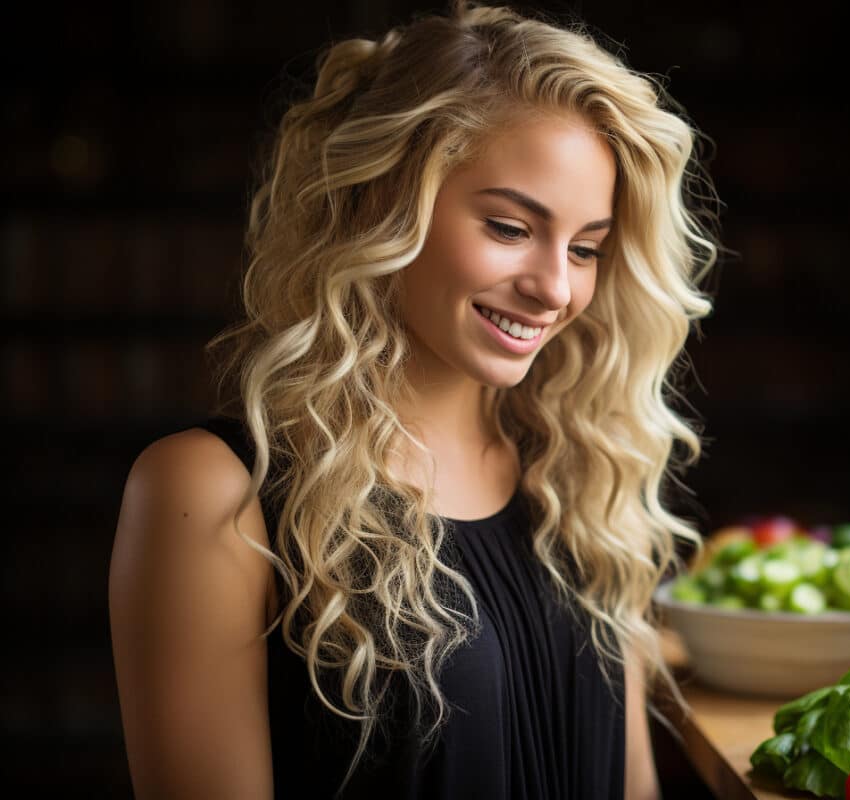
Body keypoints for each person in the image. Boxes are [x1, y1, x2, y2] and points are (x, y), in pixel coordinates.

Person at [109, 2, 718, 797]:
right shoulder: (213, 493)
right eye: (508, 227)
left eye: (586, 249)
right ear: (381, 201)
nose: (555, 288)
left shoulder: (583, 484)